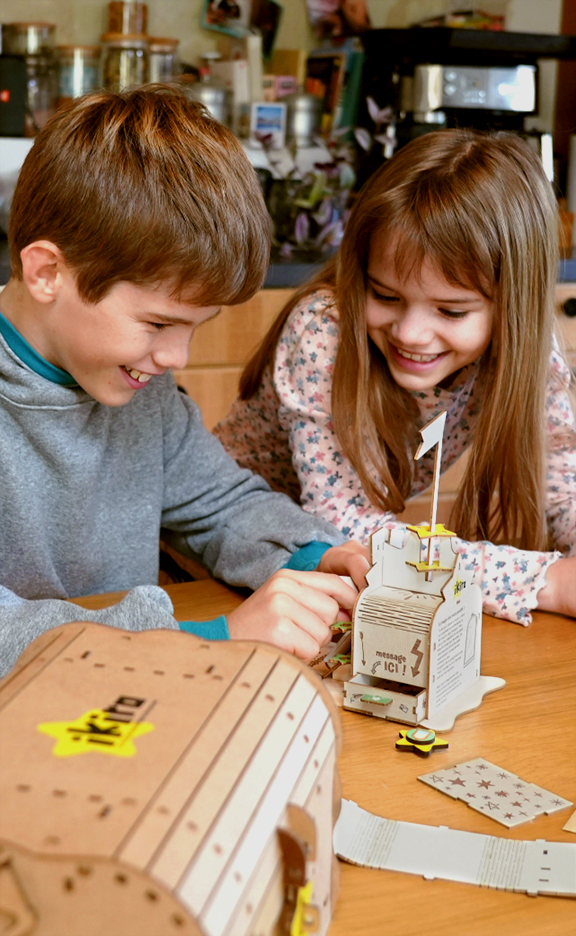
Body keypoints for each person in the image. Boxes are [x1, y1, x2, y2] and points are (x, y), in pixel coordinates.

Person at [0, 85, 371, 678]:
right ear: (46, 272)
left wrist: (312, 556)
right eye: (158, 323)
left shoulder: (142, 391)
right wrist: (206, 641)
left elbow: (220, 503)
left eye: (197, 326)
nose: (177, 356)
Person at [214, 128, 576, 625]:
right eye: (385, 296)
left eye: (450, 311)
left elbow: (563, 488)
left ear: (514, 309)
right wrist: (546, 581)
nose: (410, 333)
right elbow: (344, 523)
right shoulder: (323, 330)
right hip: (235, 556)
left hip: (323, 580)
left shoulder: (528, 346)